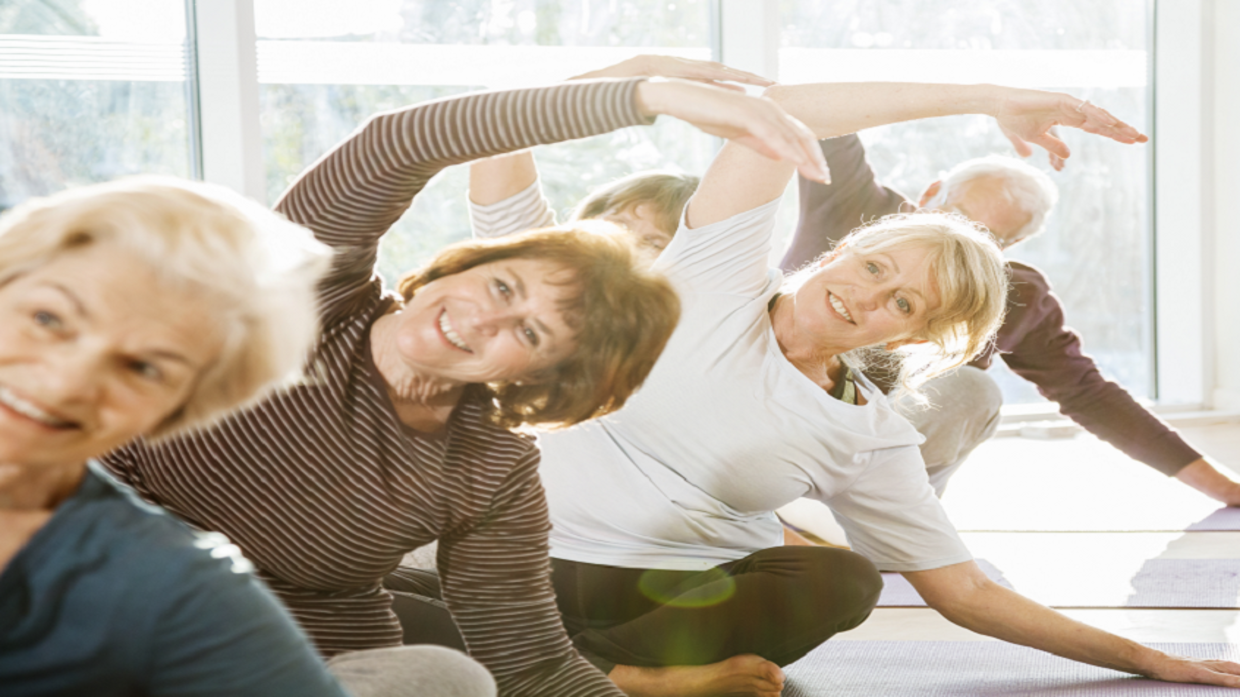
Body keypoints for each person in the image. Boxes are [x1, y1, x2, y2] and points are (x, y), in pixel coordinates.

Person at [452, 77, 1240, 696]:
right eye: (873, 266)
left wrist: (1146, 657)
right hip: (519, 564)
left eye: (902, 302)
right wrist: (987, 98)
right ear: (838, 251)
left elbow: (965, 590)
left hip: (659, 599)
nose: (866, 296)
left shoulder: (870, 432)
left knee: (843, 580)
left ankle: (569, 670)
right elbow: (782, 110)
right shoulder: (716, 272)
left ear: (914, 337)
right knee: (397, 584)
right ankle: (607, 676)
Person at [99, 78, 827, 697]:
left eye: (531, 333)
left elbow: (532, 663)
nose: (486, 318)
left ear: (539, 378)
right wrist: (651, 95)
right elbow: (395, 143)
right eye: (503, 285)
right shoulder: (310, 296)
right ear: (459, 266)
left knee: (451, 676)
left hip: (275, 648)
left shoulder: (492, 466)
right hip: (81, 577)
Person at [0, 176, 496, 697]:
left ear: (179, 411)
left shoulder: (176, 584)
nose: (64, 383)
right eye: (48, 318)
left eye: (145, 368)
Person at [782, 136, 1240, 501]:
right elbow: (827, 117)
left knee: (970, 389)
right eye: (955, 215)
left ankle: (877, 521)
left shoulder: (1012, 292)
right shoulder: (855, 203)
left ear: (1008, 248)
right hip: (771, 411)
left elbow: (1089, 394)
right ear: (930, 193)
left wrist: (1225, 488)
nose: (957, 242)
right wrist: (993, 100)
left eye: (985, 238)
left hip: (867, 467)